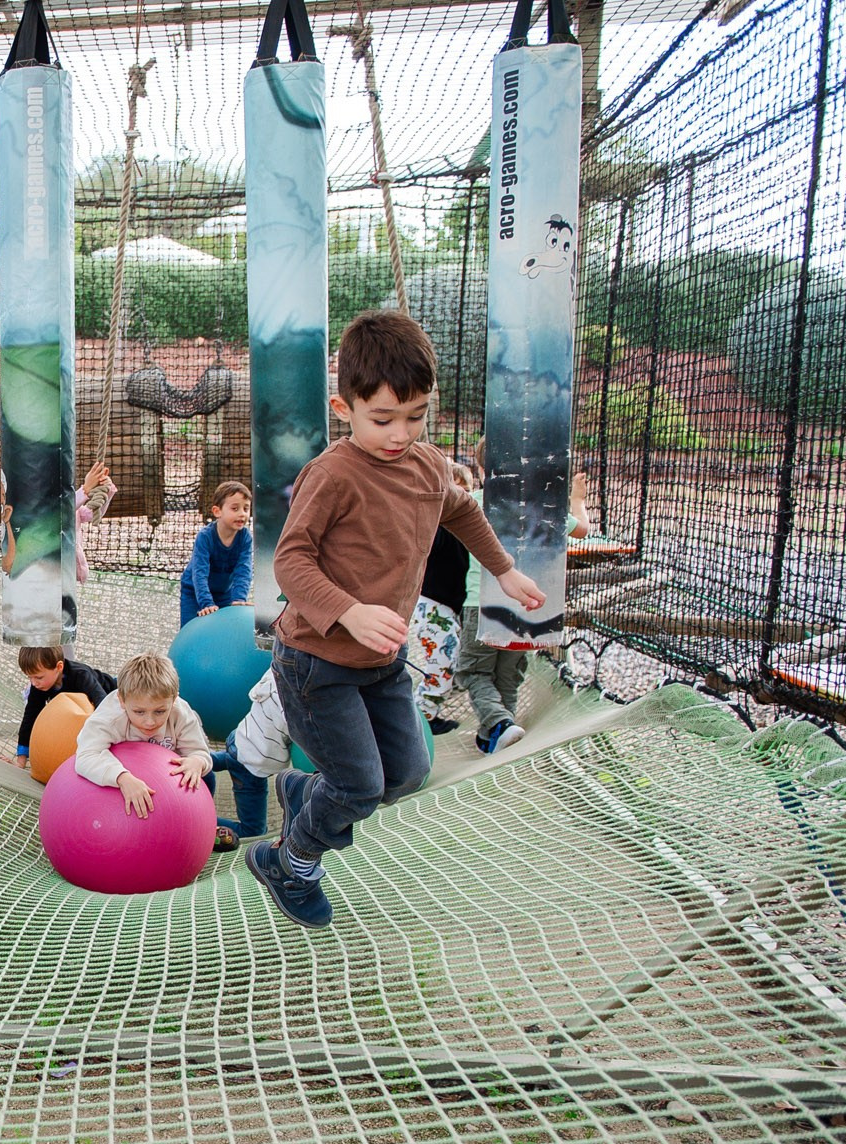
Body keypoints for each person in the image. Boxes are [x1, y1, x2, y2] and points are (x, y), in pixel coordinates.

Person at [249, 311, 544, 929]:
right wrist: (349, 612)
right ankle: (290, 862)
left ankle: (303, 797)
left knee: (406, 772)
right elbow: (291, 563)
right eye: (382, 418)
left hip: (381, 665)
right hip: (315, 663)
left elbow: (461, 511)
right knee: (357, 785)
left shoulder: (428, 466)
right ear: (344, 407)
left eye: (416, 416)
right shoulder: (332, 475)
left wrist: (504, 570)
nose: (399, 433)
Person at [453, 464, 590, 754]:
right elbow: (583, 530)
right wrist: (576, 499)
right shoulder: (547, 507)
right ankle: (497, 735)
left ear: (482, 468)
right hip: (529, 605)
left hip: (483, 602)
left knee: (474, 671)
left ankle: (499, 723)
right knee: (508, 674)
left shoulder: (476, 501)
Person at [73, 653, 225, 844]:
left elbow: (200, 752)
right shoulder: (109, 718)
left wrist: (197, 761)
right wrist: (122, 778)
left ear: (174, 700)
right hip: (123, 778)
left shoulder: (181, 713)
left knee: (206, 776)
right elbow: (85, 756)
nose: (150, 721)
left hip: (168, 785)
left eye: (160, 711)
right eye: (139, 712)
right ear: (122, 700)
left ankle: (204, 826)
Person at [408, 461, 476, 736]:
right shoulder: (437, 526)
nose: (461, 499)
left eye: (467, 491)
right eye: (453, 493)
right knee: (442, 659)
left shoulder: (469, 525)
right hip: (432, 604)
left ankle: (425, 711)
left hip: (449, 605)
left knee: (450, 656)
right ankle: (424, 716)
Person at [14, 645, 116, 767]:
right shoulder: (39, 686)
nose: (34, 683)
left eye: (38, 677)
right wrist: (21, 759)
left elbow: (103, 704)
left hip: (115, 692)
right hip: (83, 709)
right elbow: (30, 717)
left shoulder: (81, 676)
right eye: (29, 677)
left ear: (59, 667)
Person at [180, 480, 254, 625]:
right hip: (194, 593)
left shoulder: (245, 537)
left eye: (246, 509)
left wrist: (238, 600)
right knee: (192, 629)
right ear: (217, 511)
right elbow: (200, 572)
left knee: (226, 628)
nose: (242, 514)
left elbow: (244, 571)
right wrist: (206, 603)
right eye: (235, 508)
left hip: (224, 593)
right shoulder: (205, 537)